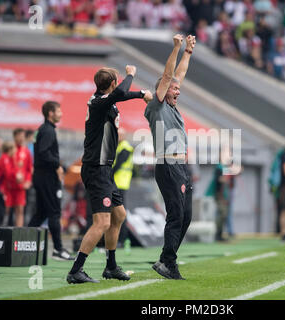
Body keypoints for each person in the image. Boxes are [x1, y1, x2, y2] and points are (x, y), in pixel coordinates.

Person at [67, 66, 152, 284]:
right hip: (96, 168)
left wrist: (141, 94)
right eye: (118, 80)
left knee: (119, 216)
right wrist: (132, 74)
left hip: (104, 169)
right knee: (102, 223)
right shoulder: (98, 102)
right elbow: (121, 93)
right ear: (113, 82)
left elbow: (121, 95)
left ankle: (111, 267)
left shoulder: (105, 100)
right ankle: (76, 270)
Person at [144, 34, 196, 280]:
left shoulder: (171, 106)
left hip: (180, 166)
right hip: (168, 165)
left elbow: (178, 76)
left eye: (177, 88)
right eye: (173, 88)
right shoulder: (157, 106)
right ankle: (168, 263)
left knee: (185, 216)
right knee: (176, 214)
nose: (178, 91)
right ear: (161, 90)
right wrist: (176, 48)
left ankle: (166, 259)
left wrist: (187, 53)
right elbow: (168, 77)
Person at [28, 101, 74, 261]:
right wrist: (59, 165)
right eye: (58, 110)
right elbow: (44, 153)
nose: (61, 113)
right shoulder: (48, 131)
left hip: (41, 176)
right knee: (54, 212)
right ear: (50, 113)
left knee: (41, 213)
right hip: (47, 177)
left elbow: (42, 153)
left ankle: (22, 243)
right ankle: (59, 250)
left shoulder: (43, 129)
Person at [112, 127, 134, 244]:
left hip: (120, 184)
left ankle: (122, 238)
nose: (118, 136)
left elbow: (117, 165)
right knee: (117, 213)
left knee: (120, 213)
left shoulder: (125, 148)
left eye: (120, 135)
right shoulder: (119, 147)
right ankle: (118, 239)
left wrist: (106, 175)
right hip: (117, 184)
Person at [7, 128, 32, 227]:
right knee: (7, 210)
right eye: (20, 136)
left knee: (20, 210)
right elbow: (6, 166)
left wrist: (28, 181)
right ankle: (4, 233)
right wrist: (14, 175)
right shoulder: (10, 150)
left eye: (23, 136)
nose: (22, 138)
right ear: (15, 136)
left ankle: (18, 234)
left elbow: (29, 169)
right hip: (9, 186)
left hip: (21, 187)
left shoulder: (26, 151)